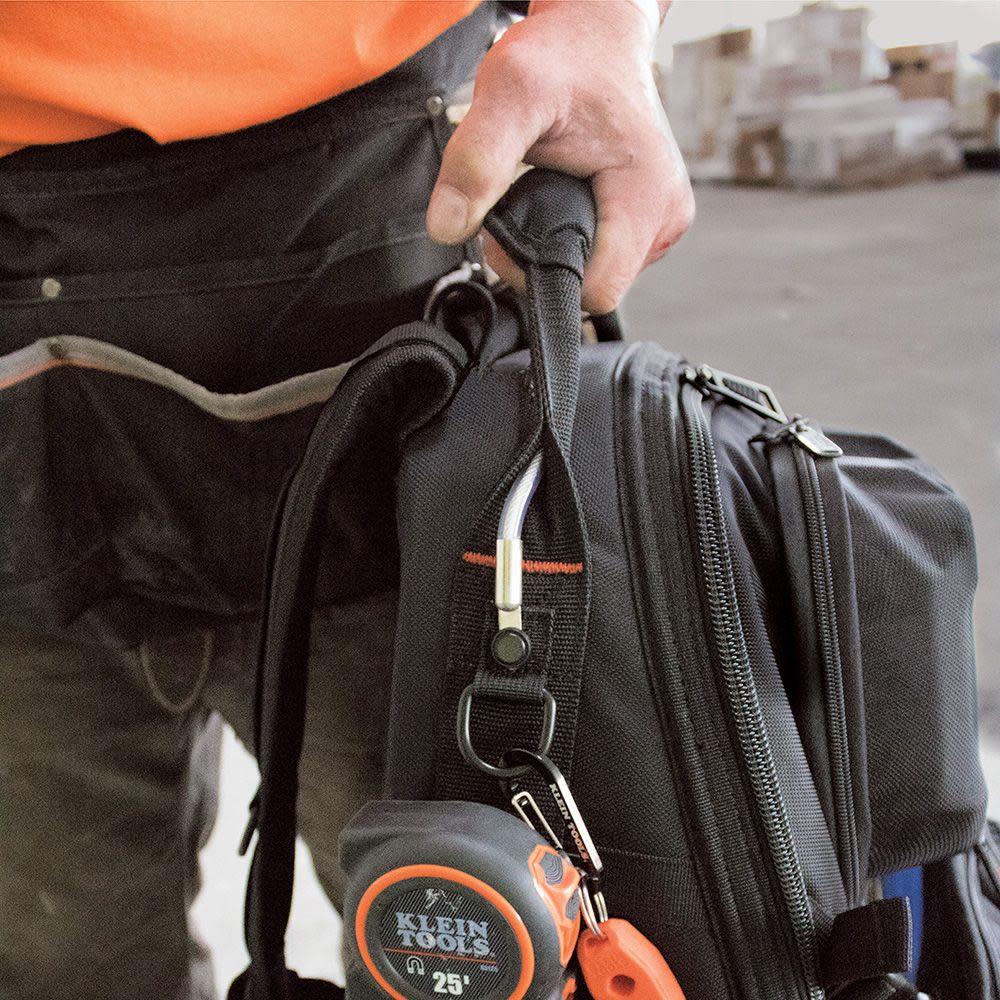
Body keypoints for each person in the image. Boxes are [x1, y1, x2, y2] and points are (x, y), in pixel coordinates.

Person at [0, 2, 693, 998]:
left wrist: (602, 22)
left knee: (475, 945)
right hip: (25, 459)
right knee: (64, 965)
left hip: (390, 296)